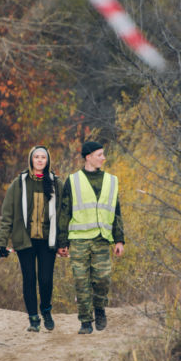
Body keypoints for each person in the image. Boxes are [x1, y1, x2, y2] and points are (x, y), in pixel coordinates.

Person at [57, 141, 124, 334]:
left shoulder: (111, 181)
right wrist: (62, 243)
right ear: (88, 157)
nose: (103, 158)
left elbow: (116, 213)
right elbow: (65, 212)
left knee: (102, 279)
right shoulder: (73, 180)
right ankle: (85, 322)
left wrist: (119, 240)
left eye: (103, 154)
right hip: (78, 240)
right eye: (100, 154)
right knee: (81, 281)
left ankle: (99, 308)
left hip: (102, 239)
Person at [0, 146, 63, 332]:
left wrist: (63, 242)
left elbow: (64, 215)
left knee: (46, 279)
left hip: (47, 241)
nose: (40, 160)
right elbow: (7, 215)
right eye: (37, 157)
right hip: (25, 240)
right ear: (31, 160)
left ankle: (46, 310)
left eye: (43, 157)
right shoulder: (19, 184)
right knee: (29, 279)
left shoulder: (56, 184)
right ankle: (33, 318)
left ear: (47, 160)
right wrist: (1, 242)